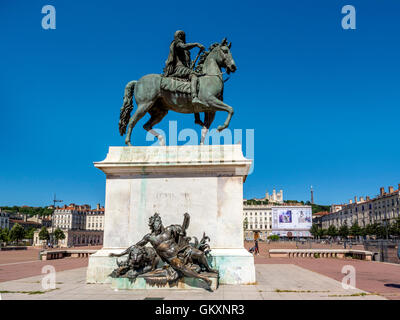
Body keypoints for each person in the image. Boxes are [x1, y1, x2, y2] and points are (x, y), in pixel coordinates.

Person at [164, 30, 206, 107]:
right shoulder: (177, 43)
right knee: (194, 76)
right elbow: (183, 46)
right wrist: (196, 44)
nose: (182, 37)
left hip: (185, 68)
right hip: (179, 68)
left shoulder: (185, 50)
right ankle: (194, 97)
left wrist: (190, 66)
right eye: (181, 35)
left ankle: (197, 116)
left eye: (182, 36)